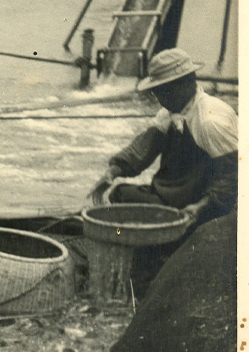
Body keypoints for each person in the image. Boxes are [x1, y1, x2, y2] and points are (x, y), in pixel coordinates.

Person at [88, 47, 237, 292]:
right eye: (157, 89)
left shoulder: (210, 121)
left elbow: (233, 176)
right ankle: (158, 248)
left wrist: (199, 207)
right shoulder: (171, 112)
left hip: (202, 204)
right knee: (119, 193)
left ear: (187, 82)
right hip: (171, 196)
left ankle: (164, 251)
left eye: (162, 89)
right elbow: (142, 149)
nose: (158, 95)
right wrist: (112, 171)